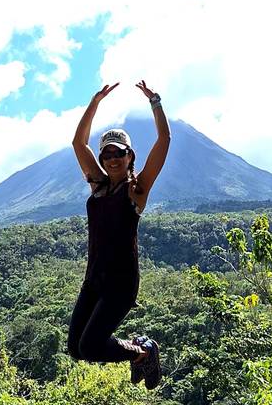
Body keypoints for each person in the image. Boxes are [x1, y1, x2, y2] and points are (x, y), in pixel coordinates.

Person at [67, 80, 171, 389]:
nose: (113, 158)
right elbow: (78, 143)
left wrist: (156, 103)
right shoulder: (98, 186)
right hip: (94, 280)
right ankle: (138, 350)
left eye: (119, 153)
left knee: (90, 346)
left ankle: (144, 351)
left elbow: (164, 139)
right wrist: (95, 102)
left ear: (130, 156)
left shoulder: (136, 191)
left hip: (121, 284)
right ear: (101, 159)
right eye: (107, 153)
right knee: (76, 349)